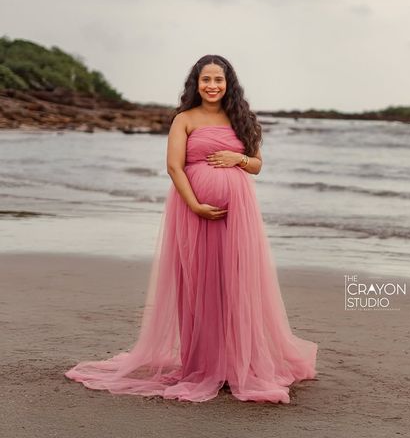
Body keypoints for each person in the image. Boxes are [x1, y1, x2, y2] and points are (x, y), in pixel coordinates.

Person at [64, 54, 318, 403]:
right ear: (195, 83)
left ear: (229, 83)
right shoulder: (184, 119)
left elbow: (257, 165)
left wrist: (238, 159)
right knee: (200, 285)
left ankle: (237, 364)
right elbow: (174, 167)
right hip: (194, 212)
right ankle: (203, 364)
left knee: (237, 284)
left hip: (238, 215)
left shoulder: (242, 118)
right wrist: (195, 204)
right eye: (206, 79)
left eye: (218, 80)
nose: (212, 86)